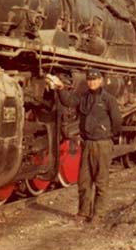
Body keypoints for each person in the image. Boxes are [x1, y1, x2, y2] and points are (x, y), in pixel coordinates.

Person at [52, 68, 121, 223]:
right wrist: (61, 88)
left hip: (102, 143)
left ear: (101, 81)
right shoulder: (83, 98)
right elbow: (69, 101)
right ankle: (83, 212)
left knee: (101, 181)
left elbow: (117, 121)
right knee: (84, 180)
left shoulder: (109, 99)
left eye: (95, 79)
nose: (92, 82)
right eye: (90, 80)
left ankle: (98, 215)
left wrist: (109, 137)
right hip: (87, 143)